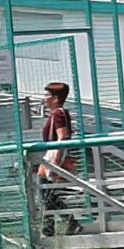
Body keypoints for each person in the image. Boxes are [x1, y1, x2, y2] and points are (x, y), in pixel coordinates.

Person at [36, 82, 80, 235]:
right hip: (52, 155)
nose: (44, 98)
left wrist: (56, 162)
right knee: (46, 193)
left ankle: (60, 224)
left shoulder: (58, 114)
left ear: (55, 98)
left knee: (44, 192)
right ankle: (53, 226)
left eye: (47, 95)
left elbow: (63, 137)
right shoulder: (61, 113)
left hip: (52, 156)